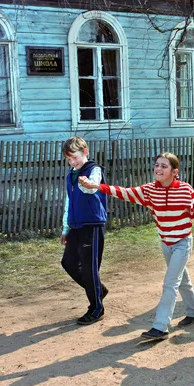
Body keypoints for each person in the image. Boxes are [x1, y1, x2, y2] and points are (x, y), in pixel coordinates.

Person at [79, 152, 194, 340]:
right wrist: (97, 186)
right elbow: (124, 192)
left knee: (170, 283)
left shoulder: (185, 189)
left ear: (174, 171)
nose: (158, 169)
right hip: (166, 242)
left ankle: (160, 326)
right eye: (157, 165)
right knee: (182, 280)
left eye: (164, 166)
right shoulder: (149, 191)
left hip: (182, 242)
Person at [60, 137, 109, 325]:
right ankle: (99, 290)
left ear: (85, 152)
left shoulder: (93, 170)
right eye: (69, 159)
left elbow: (93, 187)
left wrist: (88, 184)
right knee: (68, 263)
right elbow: (69, 202)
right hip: (75, 226)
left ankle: (96, 307)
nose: (73, 162)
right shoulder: (70, 175)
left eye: (76, 157)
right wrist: (65, 228)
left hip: (92, 225)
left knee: (90, 269)